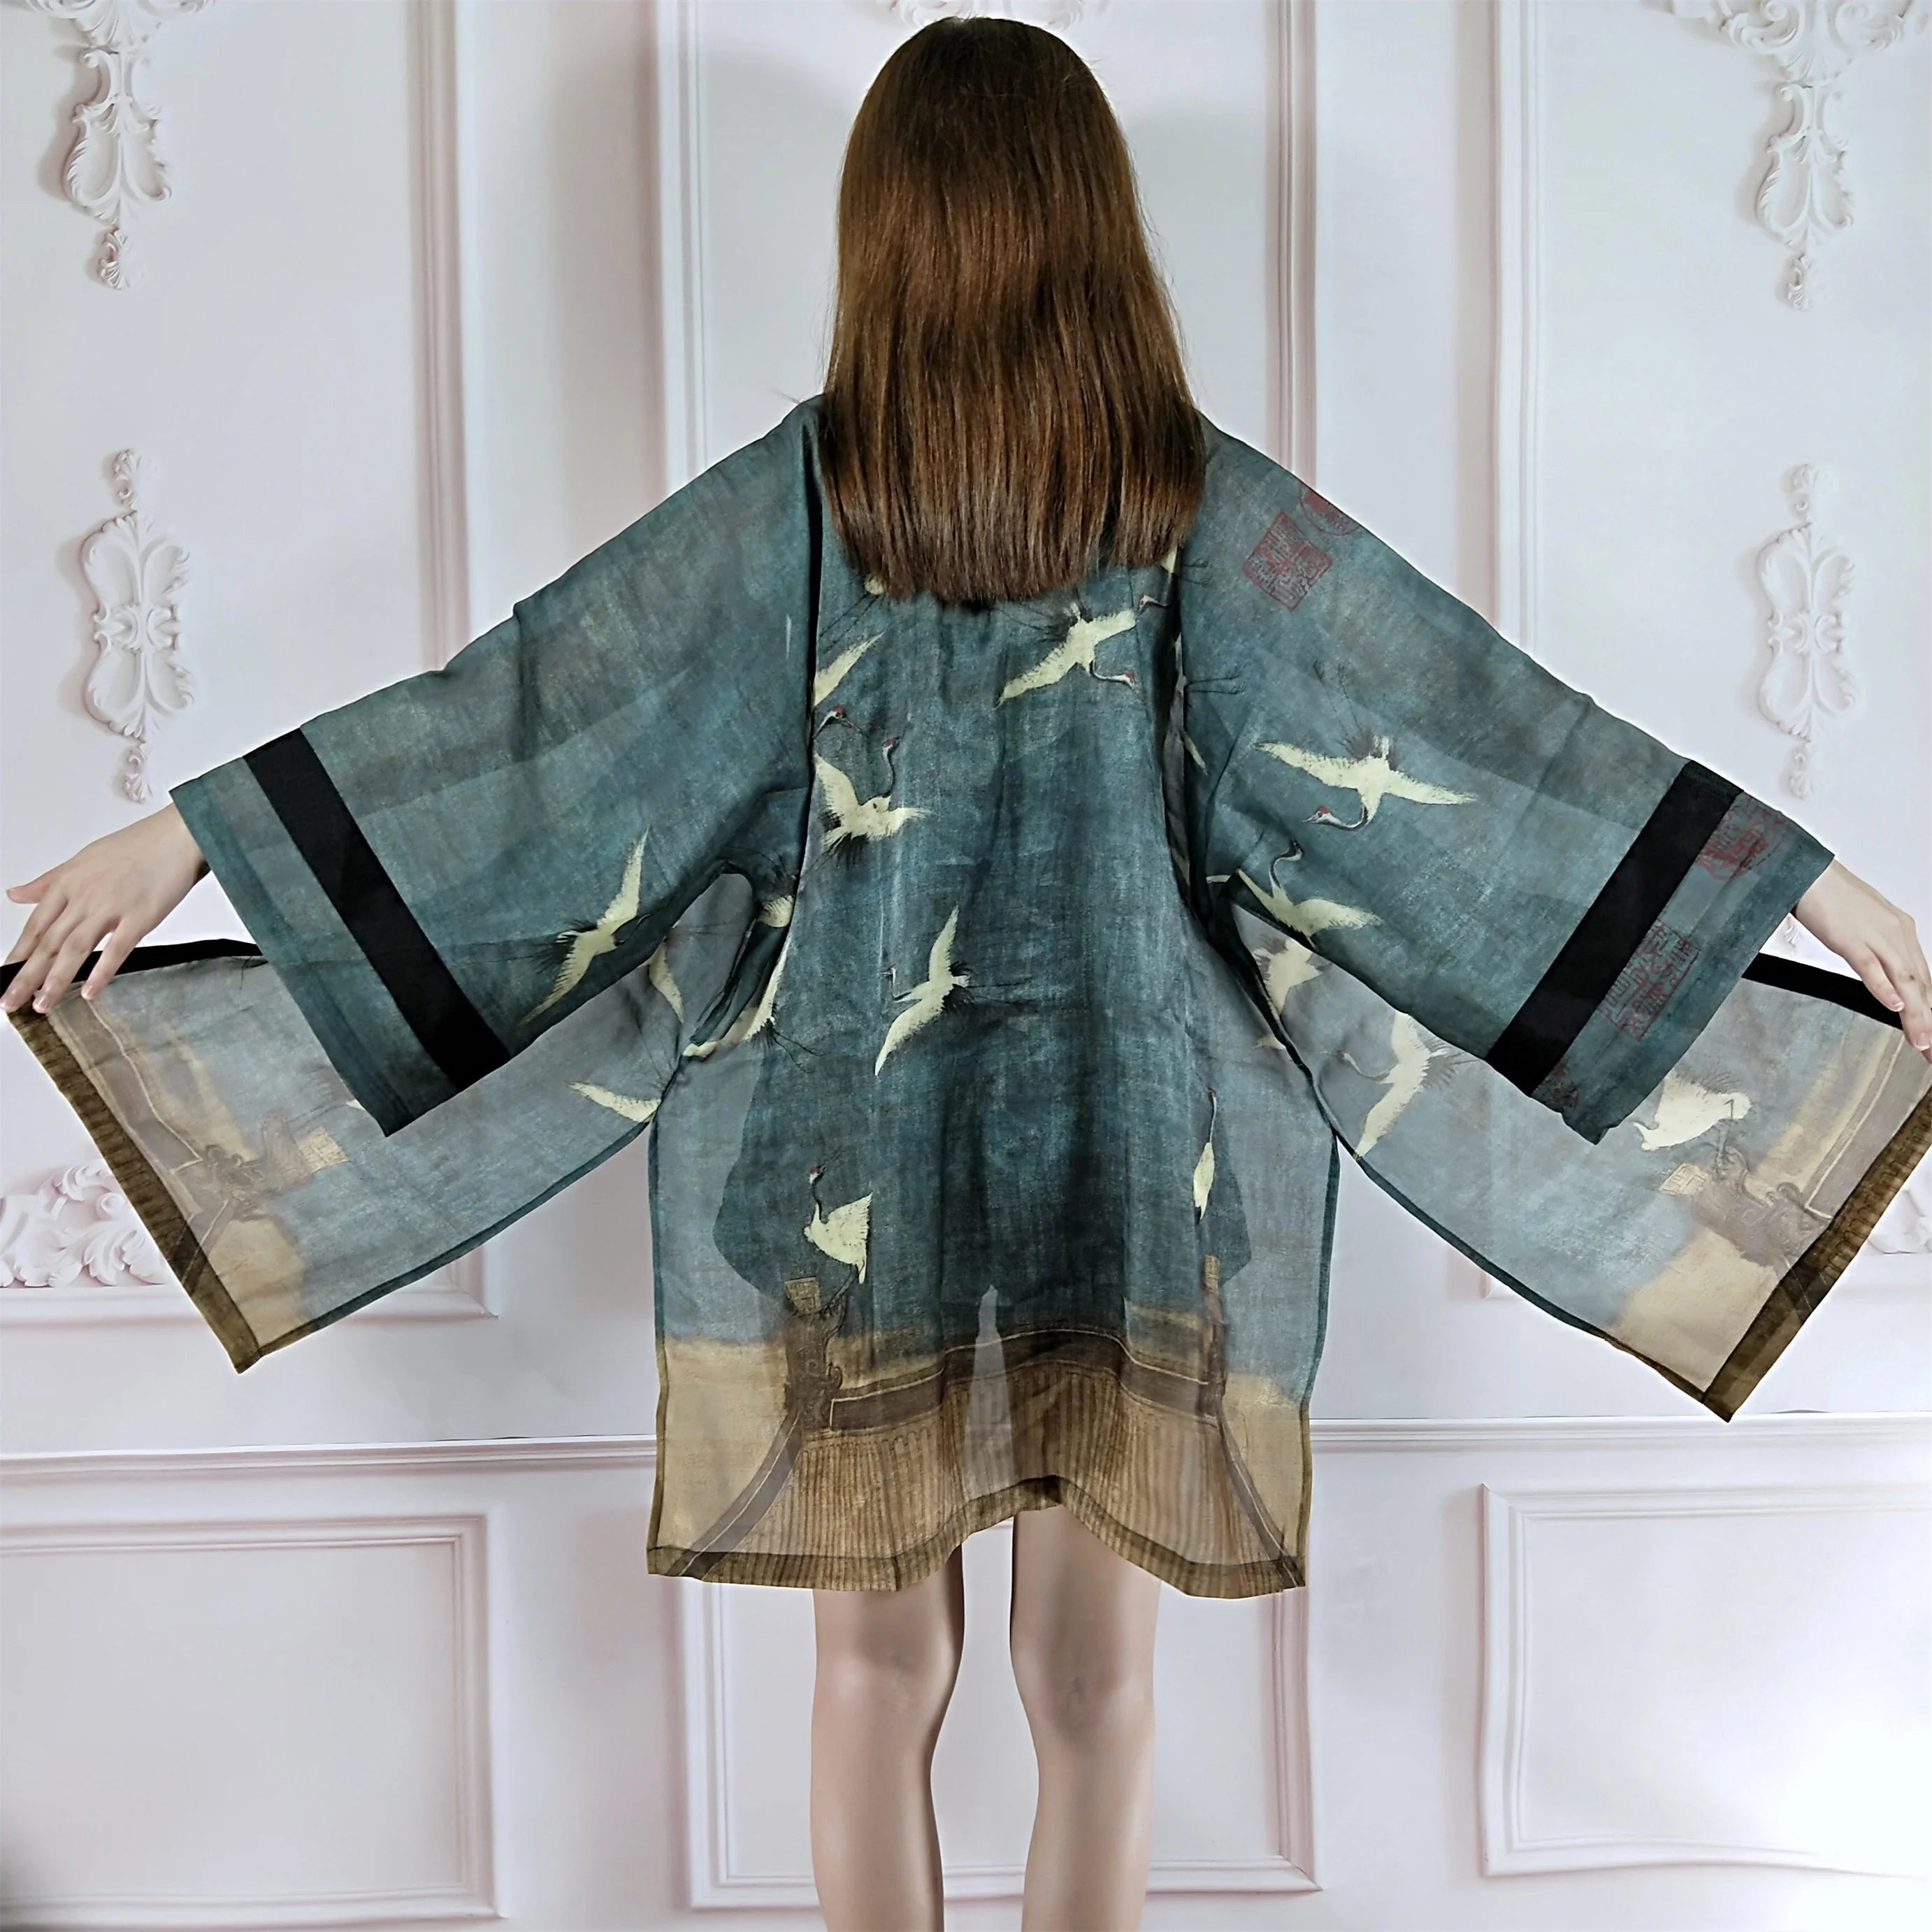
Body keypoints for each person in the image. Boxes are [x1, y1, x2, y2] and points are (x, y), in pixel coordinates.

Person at [5, 20, 1928, 1932]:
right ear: (1096, 228)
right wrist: (1809, 885)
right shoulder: (1193, 515)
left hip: (842, 1164)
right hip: (1142, 1173)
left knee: (873, 1675)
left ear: (886, 234)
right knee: (1095, 1690)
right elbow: (1483, 755)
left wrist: (182, 838)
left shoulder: (801, 511)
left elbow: (522, 733)